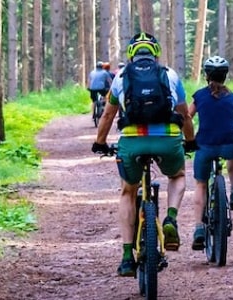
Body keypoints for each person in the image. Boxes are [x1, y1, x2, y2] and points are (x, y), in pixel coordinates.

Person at [91, 32, 196, 277]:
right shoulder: (170, 75)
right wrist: (190, 140)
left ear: (131, 54)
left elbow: (107, 115)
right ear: (155, 53)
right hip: (167, 141)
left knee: (128, 191)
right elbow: (185, 114)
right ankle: (170, 218)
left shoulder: (120, 78)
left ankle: (127, 257)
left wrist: (100, 142)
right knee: (178, 175)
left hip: (133, 142)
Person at [187, 56, 233, 251]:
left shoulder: (199, 96)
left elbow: (187, 117)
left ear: (206, 75)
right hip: (230, 145)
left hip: (205, 146)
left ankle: (198, 227)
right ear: (225, 76)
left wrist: (187, 139)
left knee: (200, 184)